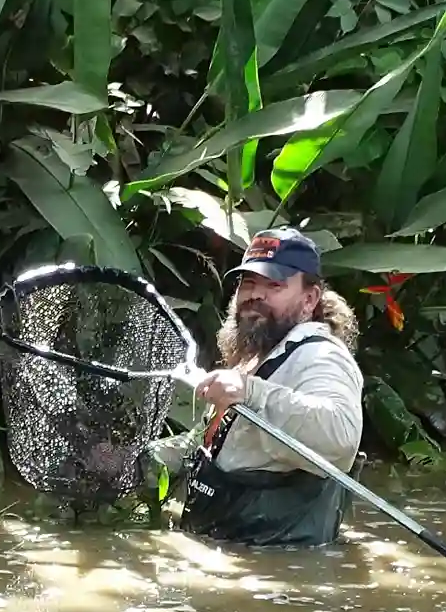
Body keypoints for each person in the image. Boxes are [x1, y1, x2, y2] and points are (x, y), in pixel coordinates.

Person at [153, 227, 364, 548]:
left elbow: (341, 439)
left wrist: (250, 392)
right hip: (228, 539)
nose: (255, 295)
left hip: (280, 560)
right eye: (248, 283)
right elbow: (206, 448)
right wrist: (140, 459)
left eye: (274, 285)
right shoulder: (256, 356)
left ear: (310, 299)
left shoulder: (321, 355)